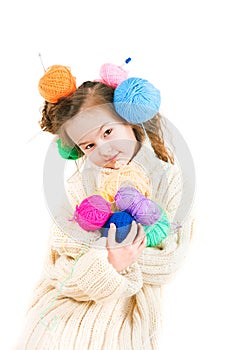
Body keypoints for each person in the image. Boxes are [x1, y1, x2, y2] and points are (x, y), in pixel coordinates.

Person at [17, 64, 195, 349]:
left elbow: (167, 260)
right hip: (62, 309)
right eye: (88, 146)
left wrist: (102, 256)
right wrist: (108, 262)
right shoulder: (78, 187)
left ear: (129, 120)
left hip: (124, 318)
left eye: (108, 131)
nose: (103, 149)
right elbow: (56, 266)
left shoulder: (169, 180)